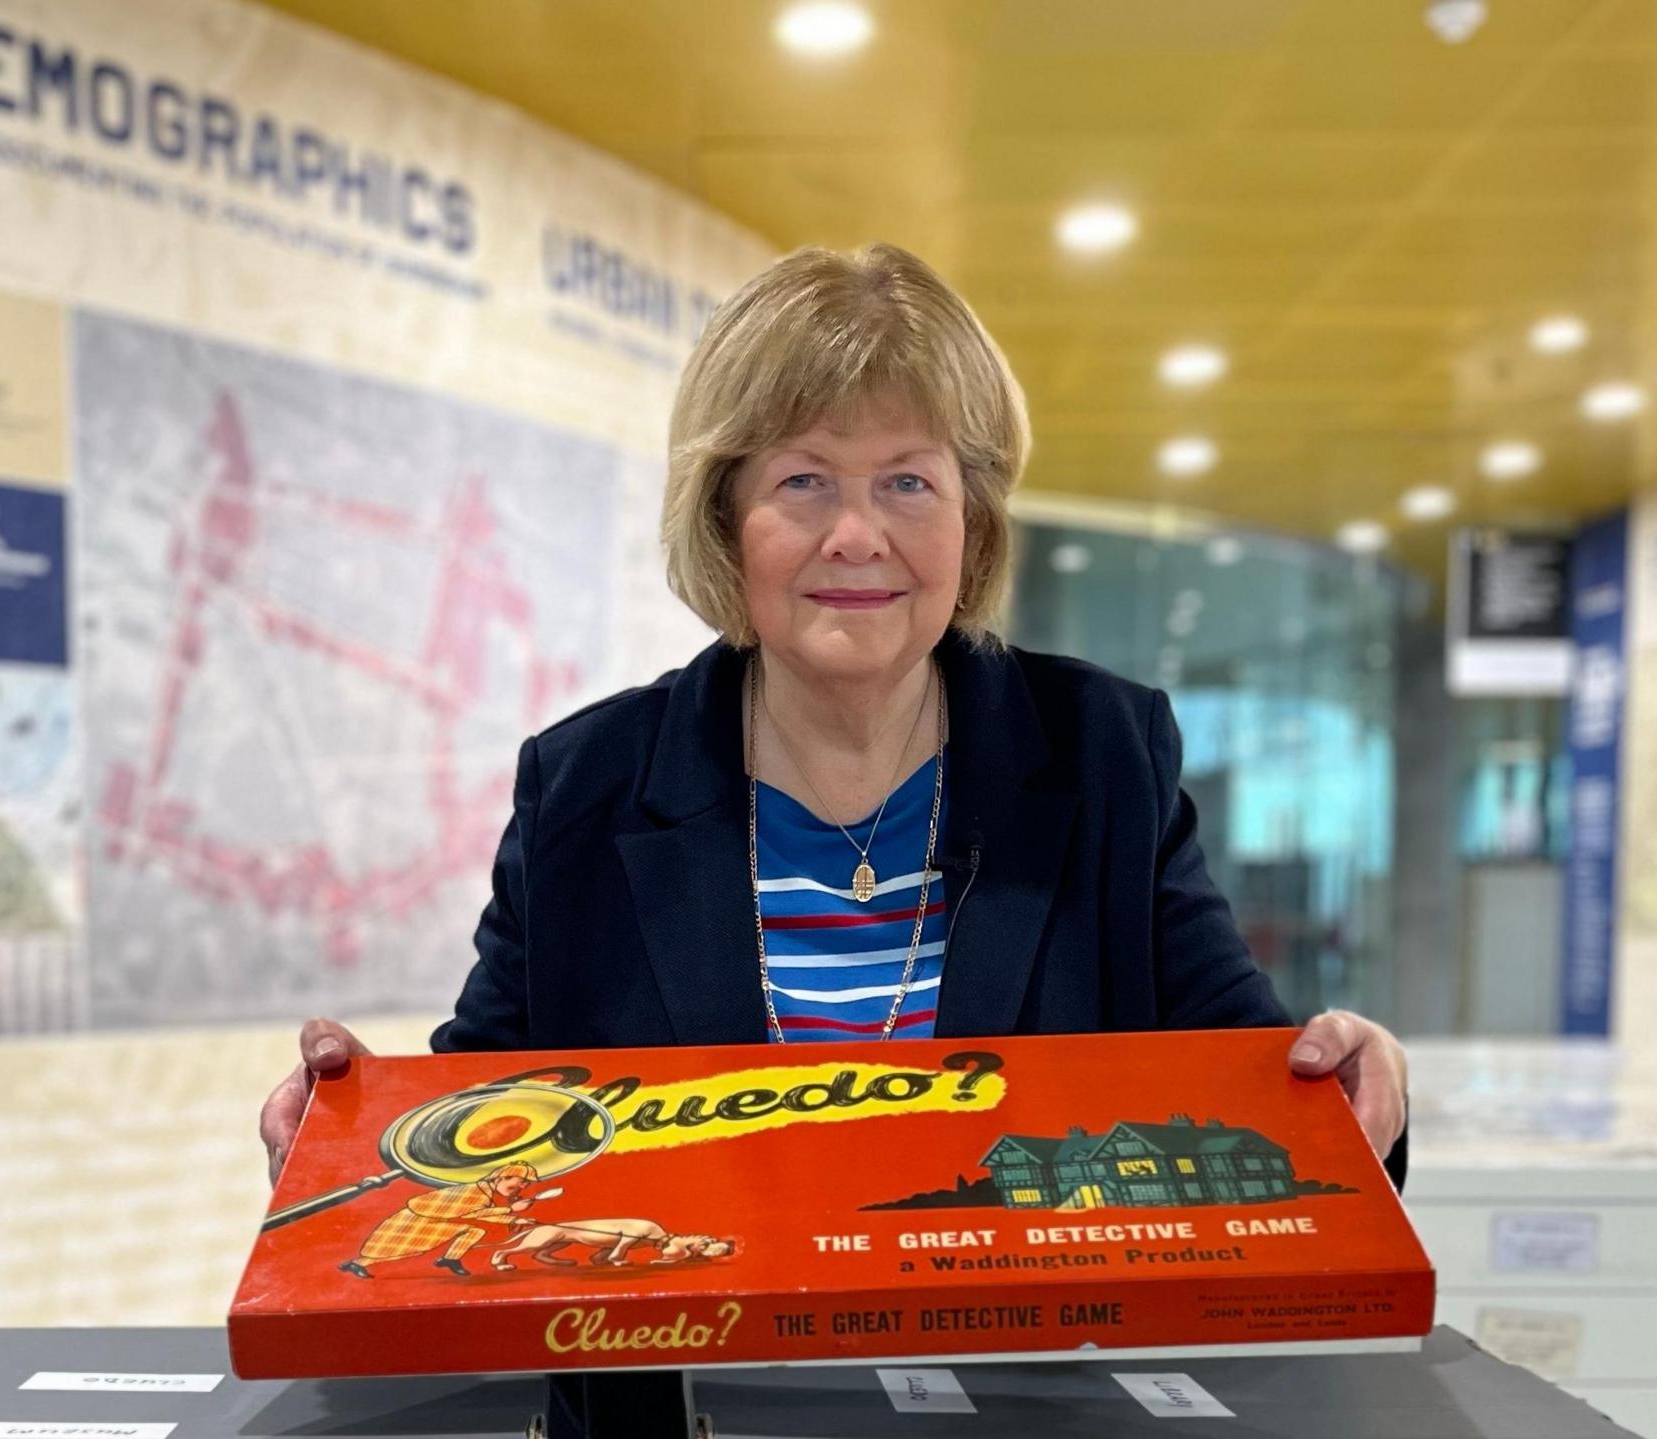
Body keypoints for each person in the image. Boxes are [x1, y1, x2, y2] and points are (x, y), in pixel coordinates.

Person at [260, 242, 1409, 1429]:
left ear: (971, 514)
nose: (857, 534)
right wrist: (346, 1149)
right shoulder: (589, 784)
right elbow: (488, 1115)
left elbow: (1245, 1084)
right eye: (803, 481)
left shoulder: (1103, 755)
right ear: (725, 515)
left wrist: (1350, 1093)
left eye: (908, 482)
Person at [338, 1162, 541, 1280]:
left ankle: (450, 1259)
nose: (522, 1187)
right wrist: (510, 1210)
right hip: (413, 1221)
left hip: (433, 1222)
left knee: (473, 1232)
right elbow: (474, 1213)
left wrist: (516, 1218)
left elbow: (480, 1213)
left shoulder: (483, 1194)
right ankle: (355, 1263)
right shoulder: (474, 1191)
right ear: (502, 1177)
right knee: (397, 1249)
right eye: (519, 1183)